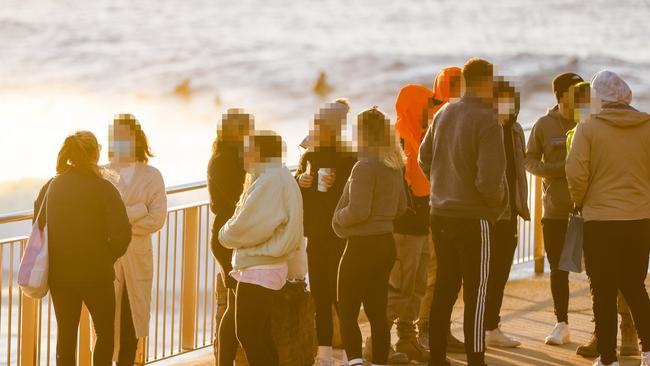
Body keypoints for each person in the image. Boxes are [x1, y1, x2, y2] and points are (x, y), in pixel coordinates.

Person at [419, 57, 507, 366]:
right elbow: (490, 178)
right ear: (486, 82)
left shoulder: (444, 112)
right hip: (473, 217)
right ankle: (476, 360)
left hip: (440, 213)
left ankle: (437, 358)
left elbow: (423, 157)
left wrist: (443, 185)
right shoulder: (488, 119)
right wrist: (495, 207)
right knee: (478, 292)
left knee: (445, 286)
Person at [566, 70, 650, 366]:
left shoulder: (587, 128)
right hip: (640, 219)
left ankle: (607, 359)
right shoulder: (647, 125)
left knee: (602, 289)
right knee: (635, 286)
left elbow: (575, 173)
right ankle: (648, 353)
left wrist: (582, 200)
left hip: (600, 220)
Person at [34, 131, 132, 366]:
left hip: (61, 275)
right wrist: (105, 256)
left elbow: (39, 224)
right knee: (105, 333)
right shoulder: (104, 189)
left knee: (66, 336)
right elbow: (122, 234)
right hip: (96, 274)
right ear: (94, 154)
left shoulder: (52, 186)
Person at [218, 131, 304, 366]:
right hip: (269, 264)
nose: (243, 155)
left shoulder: (269, 180)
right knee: (261, 333)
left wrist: (224, 234)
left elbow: (249, 225)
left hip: (259, 265)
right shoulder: (277, 175)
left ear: (260, 152)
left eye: (248, 149)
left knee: (247, 333)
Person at [333, 106, 407, 366]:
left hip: (361, 247)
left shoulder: (364, 167)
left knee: (348, 311)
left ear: (363, 133)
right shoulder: (394, 165)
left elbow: (358, 210)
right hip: (385, 245)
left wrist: (338, 218)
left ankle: (354, 361)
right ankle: (379, 362)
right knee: (377, 312)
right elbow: (401, 207)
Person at [294, 99, 357, 366]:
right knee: (322, 295)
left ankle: (347, 355)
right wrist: (301, 181)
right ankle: (325, 355)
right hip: (319, 235)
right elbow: (298, 192)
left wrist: (338, 182)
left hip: (340, 236)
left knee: (341, 297)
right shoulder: (309, 156)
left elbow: (355, 192)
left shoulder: (349, 157)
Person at [525, 71, 584, 345]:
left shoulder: (590, 122)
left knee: (596, 269)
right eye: (576, 90)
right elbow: (530, 161)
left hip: (588, 209)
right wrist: (558, 170)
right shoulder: (543, 125)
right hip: (556, 211)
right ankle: (562, 323)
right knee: (558, 270)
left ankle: (600, 329)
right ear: (561, 95)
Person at [103, 115, 167, 366]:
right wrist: (139, 209)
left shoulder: (152, 176)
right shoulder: (102, 174)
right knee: (105, 327)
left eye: (125, 137)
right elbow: (100, 222)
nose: (120, 142)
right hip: (108, 261)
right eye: (115, 137)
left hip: (138, 261)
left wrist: (121, 222)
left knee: (131, 327)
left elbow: (157, 219)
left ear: (136, 139)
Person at [416, 67, 466, 354]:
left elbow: (427, 160)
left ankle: (439, 330)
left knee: (448, 273)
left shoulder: (440, 115)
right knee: (437, 272)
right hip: (437, 208)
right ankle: (428, 330)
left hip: (442, 205)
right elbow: (425, 159)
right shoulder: (441, 116)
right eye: (456, 84)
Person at [386, 84, 434, 363]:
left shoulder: (421, 135)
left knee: (417, 287)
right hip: (403, 227)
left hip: (422, 221)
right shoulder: (400, 137)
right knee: (399, 287)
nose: (430, 111)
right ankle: (378, 342)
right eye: (426, 106)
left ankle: (407, 339)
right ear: (413, 107)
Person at [484, 80, 531, 348]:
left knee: (501, 273)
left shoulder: (514, 130)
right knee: (482, 275)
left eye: (512, 100)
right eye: (503, 99)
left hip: (509, 212)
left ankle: (492, 327)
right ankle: (481, 327)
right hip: (487, 213)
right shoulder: (485, 128)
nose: (509, 105)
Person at [207, 108, 254, 366]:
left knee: (237, 303)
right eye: (246, 129)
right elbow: (237, 199)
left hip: (236, 233)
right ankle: (225, 360)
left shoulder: (236, 157)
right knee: (236, 304)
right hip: (228, 236)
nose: (250, 133)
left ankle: (228, 360)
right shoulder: (223, 160)